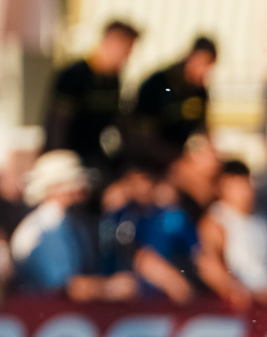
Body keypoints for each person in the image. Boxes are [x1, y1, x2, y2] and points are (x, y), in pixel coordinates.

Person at [9, 151, 132, 299]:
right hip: (45, 310)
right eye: (75, 183)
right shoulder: (43, 229)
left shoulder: (73, 223)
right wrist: (110, 287)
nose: (84, 190)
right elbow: (64, 286)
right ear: (57, 188)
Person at [43, 21, 138, 176]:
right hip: (68, 159)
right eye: (126, 50)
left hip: (95, 156)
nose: (127, 57)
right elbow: (57, 128)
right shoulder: (74, 75)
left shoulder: (113, 80)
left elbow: (116, 124)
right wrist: (63, 165)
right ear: (109, 43)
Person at [134, 138, 221, 302]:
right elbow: (143, 258)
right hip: (155, 301)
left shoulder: (194, 209)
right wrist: (175, 283)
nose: (217, 163)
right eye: (212, 156)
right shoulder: (168, 209)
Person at [198, 160, 267, 307]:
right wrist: (235, 289)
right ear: (222, 188)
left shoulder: (264, 219)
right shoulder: (216, 222)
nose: (245, 191)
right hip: (237, 306)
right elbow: (208, 266)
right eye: (237, 185)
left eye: (246, 183)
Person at [131, 36, 216, 165]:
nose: (204, 72)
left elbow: (202, 129)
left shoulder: (200, 92)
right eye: (203, 64)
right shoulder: (159, 83)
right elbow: (141, 129)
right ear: (192, 57)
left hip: (180, 154)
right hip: (153, 155)